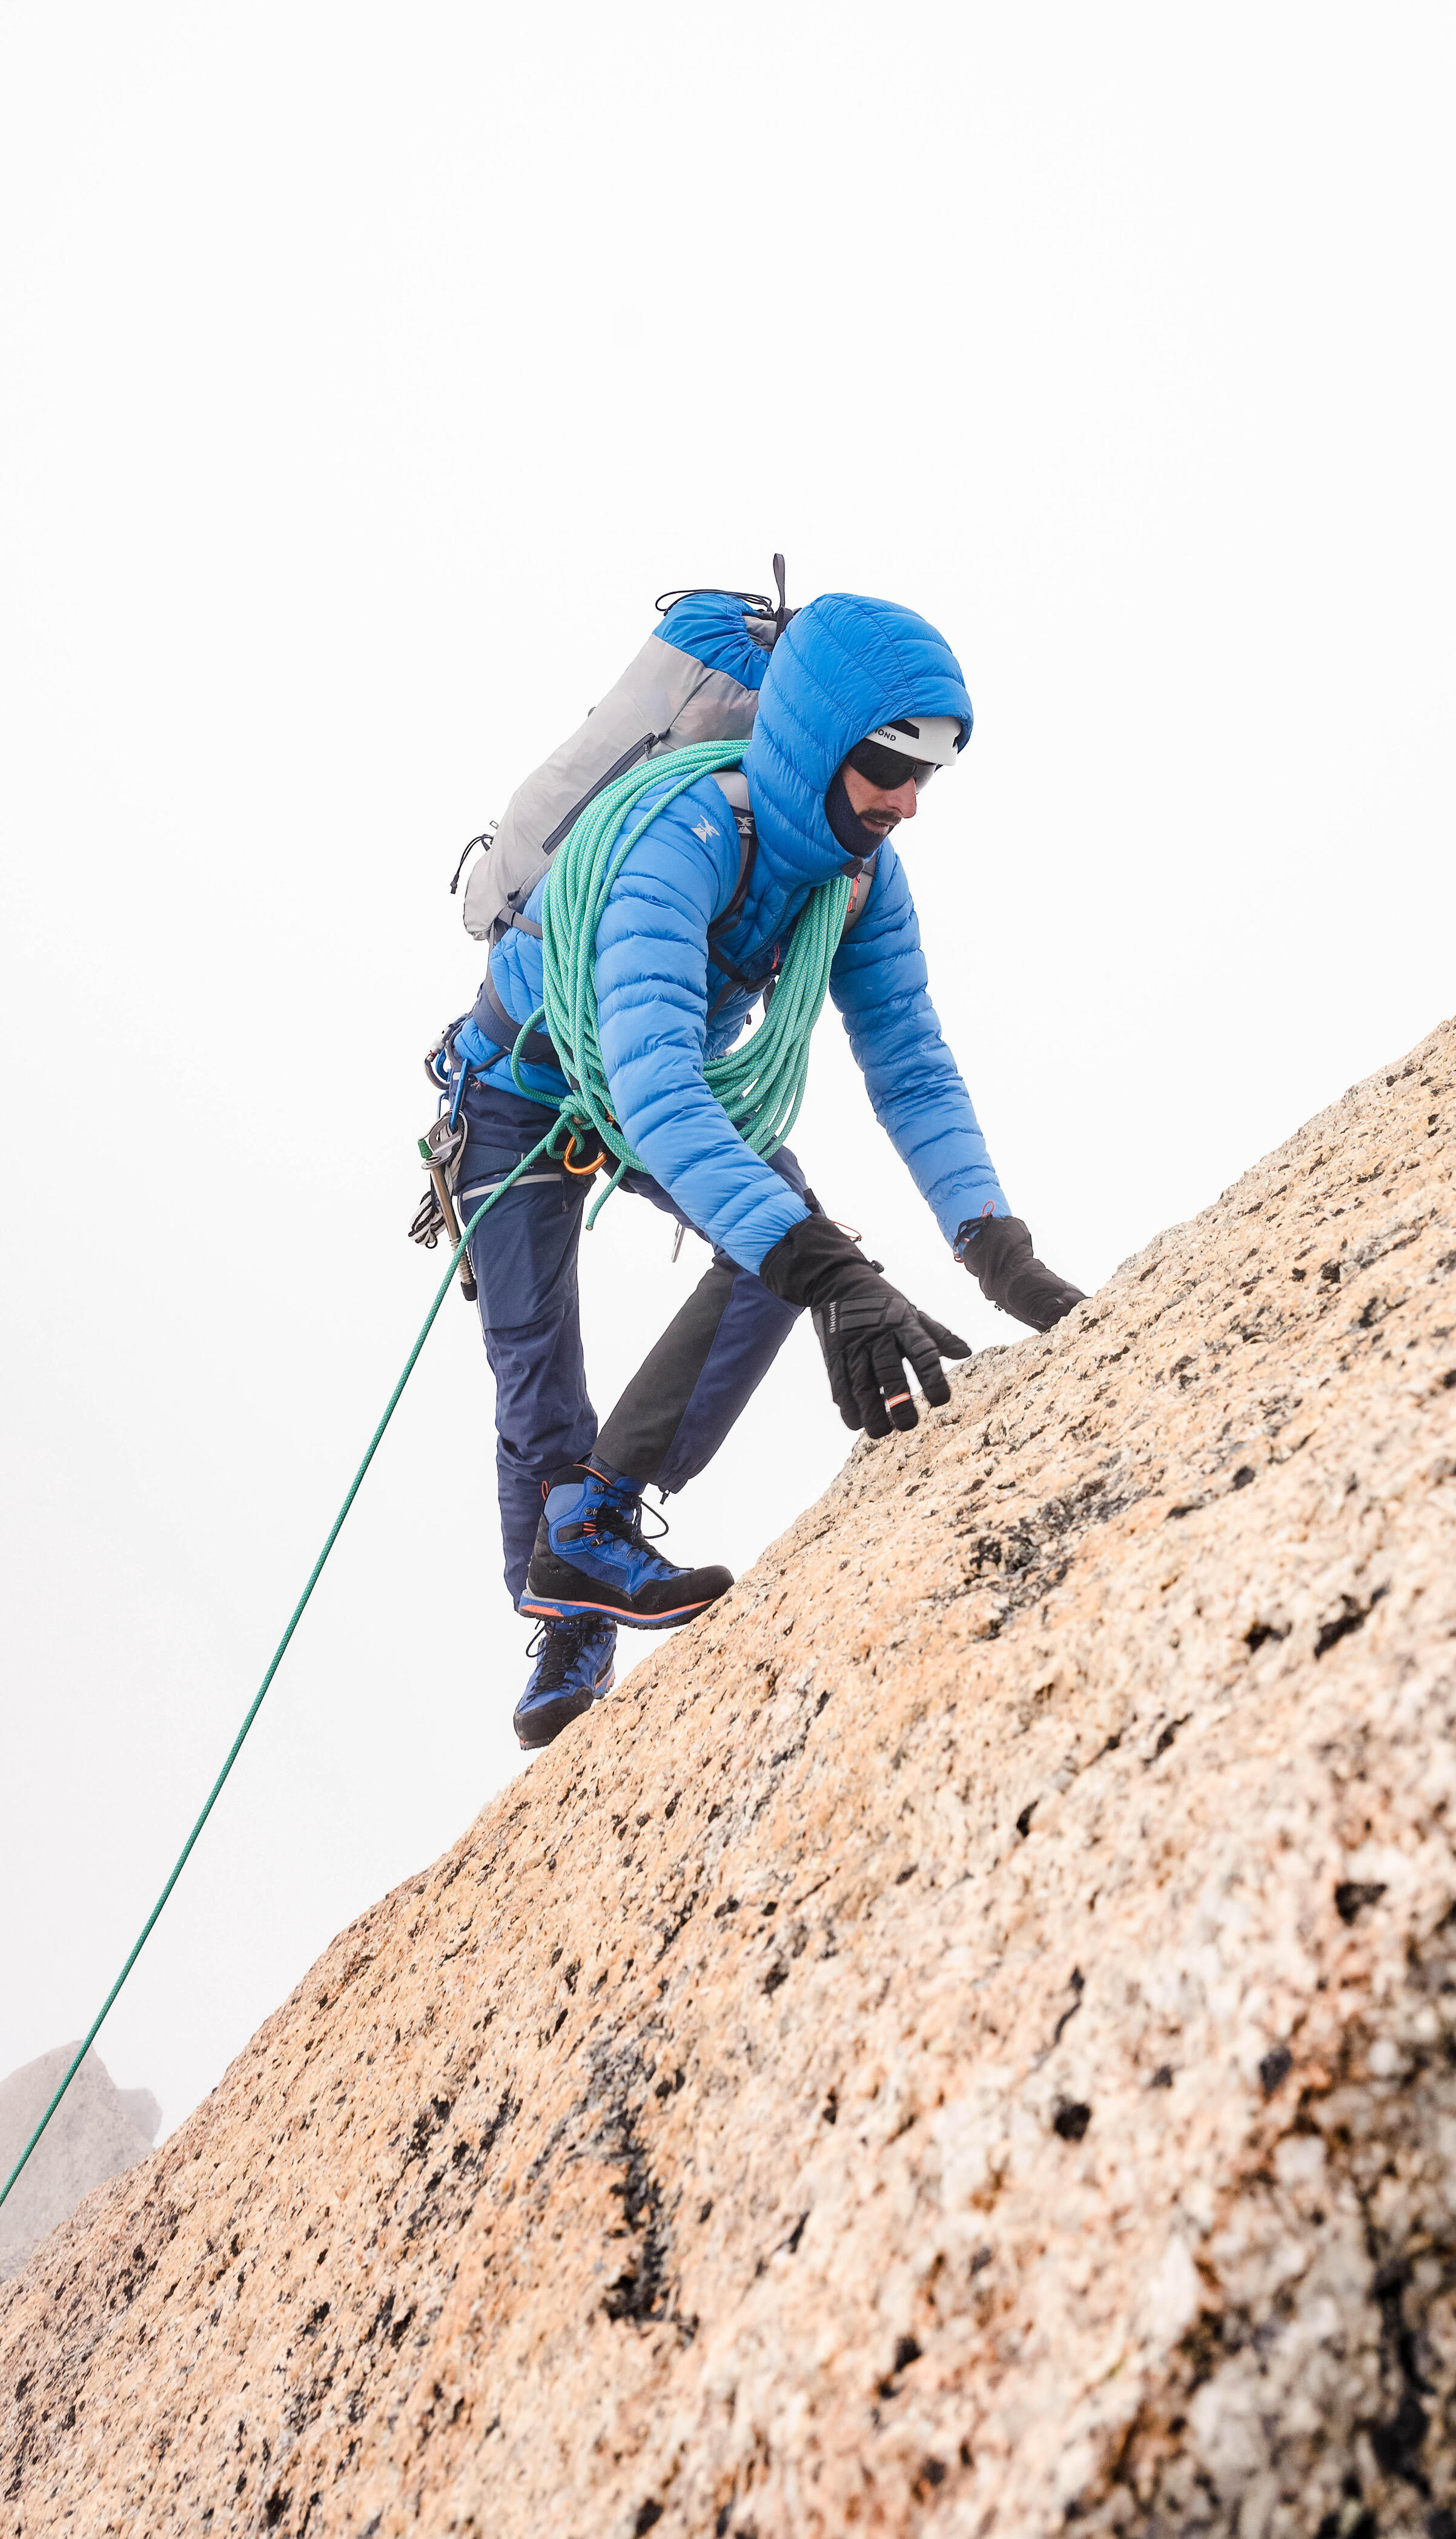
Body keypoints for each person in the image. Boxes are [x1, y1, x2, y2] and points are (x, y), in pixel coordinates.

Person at [431, 589, 1084, 1749]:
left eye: (927, 776)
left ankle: (598, 1513)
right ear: (822, 740)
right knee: (541, 1368)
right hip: (520, 1090)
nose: (907, 802)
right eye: (889, 764)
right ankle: (572, 1614)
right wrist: (835, 1277)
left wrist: (1005, 1259)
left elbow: (914, 1069)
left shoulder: (857, 879)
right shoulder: (674, 840)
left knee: (783, 1243)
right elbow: (659, 1087)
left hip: (642, 1087)